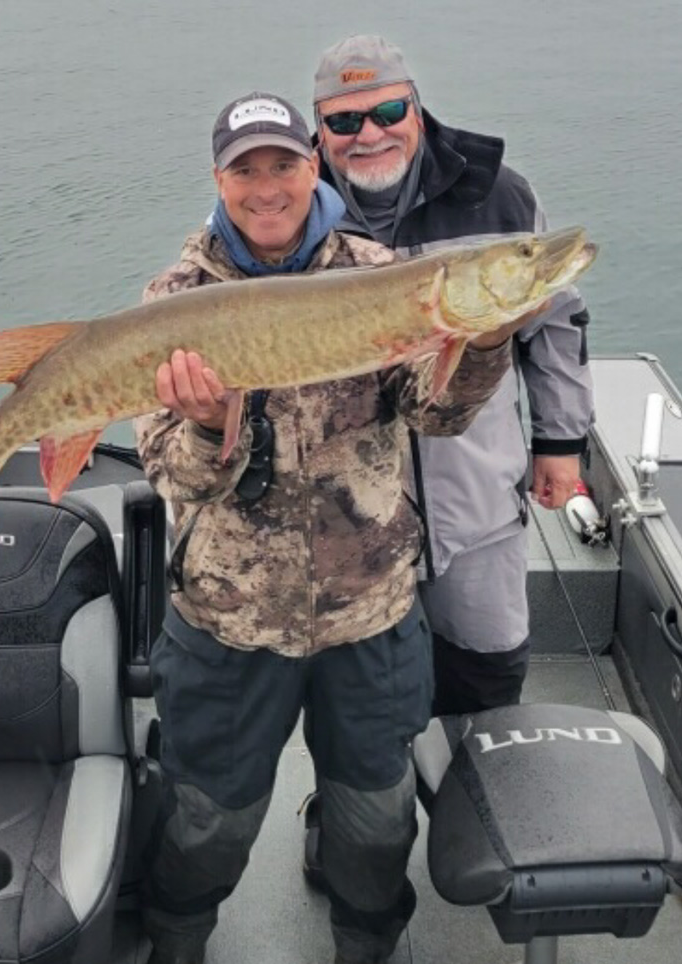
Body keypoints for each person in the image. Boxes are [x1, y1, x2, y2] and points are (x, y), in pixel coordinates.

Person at [135, 90, 518, 964]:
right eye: (246, 171)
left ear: (315, 165)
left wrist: (486, 341)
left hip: (370, 611)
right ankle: (178, 940)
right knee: (206, 824)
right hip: (231, 621)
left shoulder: (379, 272)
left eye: (284, 165)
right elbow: (174, 476)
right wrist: (203, 424)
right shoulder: (174, 298)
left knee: (377, 820)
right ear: (219, 181)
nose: (267, 188)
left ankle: (365, 944)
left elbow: (435, 412)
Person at [301, 31, 595, 888]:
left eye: (388, 111)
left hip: (476, 493)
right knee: (349, 693)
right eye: (346, 120)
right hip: (350, 516)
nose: (370, 134)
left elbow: (556, 321)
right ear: (320, 132)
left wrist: (560, 441)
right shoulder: (293, 211)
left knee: (486, 661)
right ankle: (342, 815)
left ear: (416, 108)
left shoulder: (499, 196)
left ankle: (483, 810)